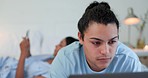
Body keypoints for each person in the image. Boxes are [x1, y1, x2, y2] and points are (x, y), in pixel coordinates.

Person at [49, 1, 143, 78]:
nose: (105, 51)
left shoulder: (129, 61)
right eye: (96, 42)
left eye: (112, 42)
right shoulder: (65, 60)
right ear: (81, 38)